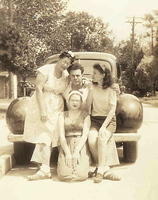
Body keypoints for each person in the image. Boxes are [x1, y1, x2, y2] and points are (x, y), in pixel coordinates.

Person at [23, 51, 75, 180]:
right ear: (59, 59)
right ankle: (44, 168)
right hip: (42, 104)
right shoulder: (45, 70)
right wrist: (43, 110)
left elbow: (66, 92)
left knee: (52, 135)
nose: (65, 65)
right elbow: (39, 89)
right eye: (64, 61)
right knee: (44, 135)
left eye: (68, 64)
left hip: (57, 107)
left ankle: (48, 167)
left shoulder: (66, 75)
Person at [87, 63, 121, 183]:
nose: (93, 75)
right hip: (95, 119)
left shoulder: (111, 89)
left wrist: (103, 127)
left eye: (95, 73)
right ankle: (104, 167)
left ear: (103, 75)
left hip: (109, 120)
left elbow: (112, 111)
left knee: (101, 138)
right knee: (91, 140)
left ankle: (100, 171)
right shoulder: (92, 87)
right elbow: (88, 106)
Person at [57, 90, 91, 181]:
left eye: (77, 100)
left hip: (80, 144)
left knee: (81, 175)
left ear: (81, 102)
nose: (75, 103)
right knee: (64, 175)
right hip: (66, 144)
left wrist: (76, 151)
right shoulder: (62, 115)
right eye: (72, 100)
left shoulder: (86, 116)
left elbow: (85, 135)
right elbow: (61, 135)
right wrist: (67, 153)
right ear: (68, 101)